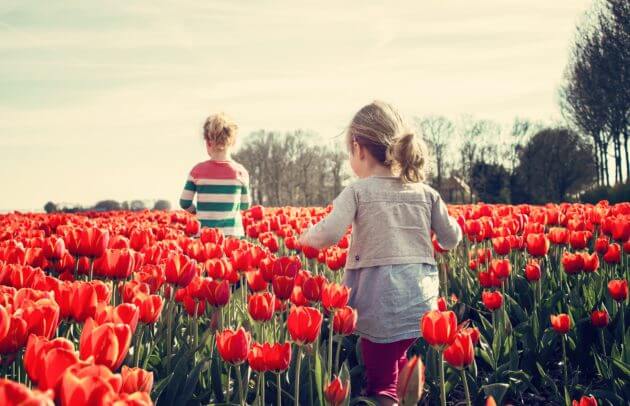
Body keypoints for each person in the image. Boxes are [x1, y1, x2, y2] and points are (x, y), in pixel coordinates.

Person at [299, 101, 462, 406]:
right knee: (398, 357)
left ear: (359, 149)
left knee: (382, 381)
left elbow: (331, 232)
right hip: (421, 300)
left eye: (350, 152)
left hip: (379, 300)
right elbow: (451, 238)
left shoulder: (358, 191)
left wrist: (306, 236)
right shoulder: (426, 193)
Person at [179, 113, 251, 237]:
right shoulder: (240, 172)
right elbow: (245, 205)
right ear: (233, 142)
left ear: (208, 142)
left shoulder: (197, 171)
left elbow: (184, 202)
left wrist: (197, 212)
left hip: (204, 235)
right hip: (232, 235)